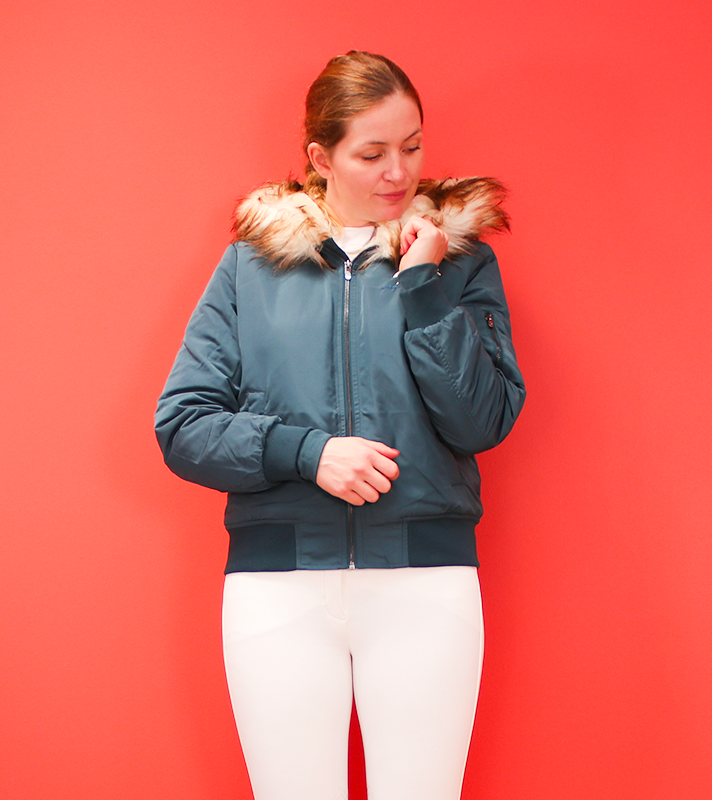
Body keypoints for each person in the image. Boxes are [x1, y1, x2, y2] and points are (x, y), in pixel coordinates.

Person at [156, 51, 525, 800]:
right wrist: (307, 453)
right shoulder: (249, 270)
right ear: (321, 157)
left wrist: (422, 286)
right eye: (373, 152)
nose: (400, 171)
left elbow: (482, 420)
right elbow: (183, 425)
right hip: (278, 590)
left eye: (413, 146)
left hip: (426, 586)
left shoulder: (460, 264)